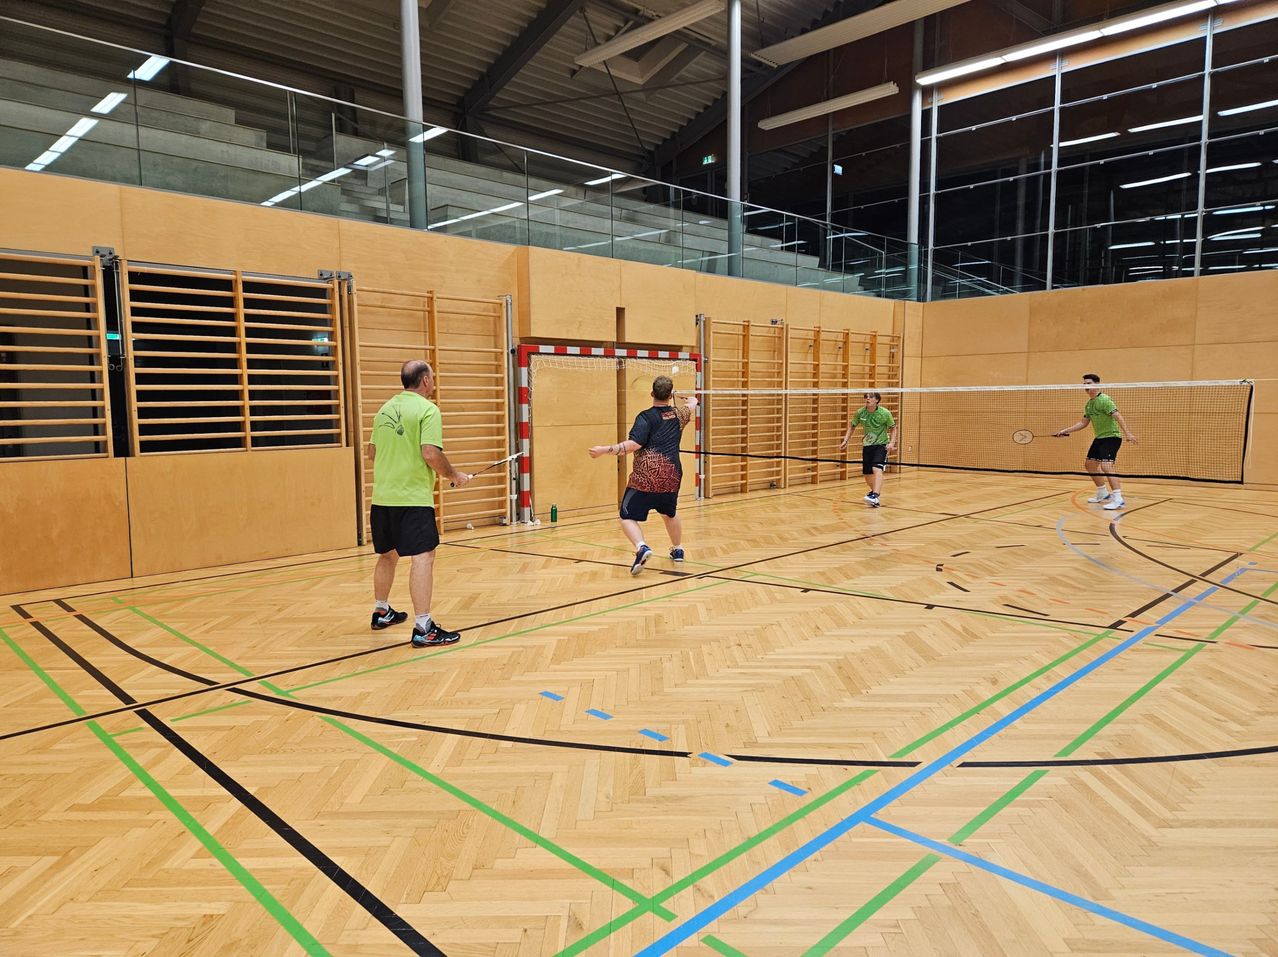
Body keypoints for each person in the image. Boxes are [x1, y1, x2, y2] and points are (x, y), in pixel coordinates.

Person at [367, 359, 471, 646]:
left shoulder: (384, 409)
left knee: (387, 554)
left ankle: (381, 610)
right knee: (423, 556)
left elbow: (372, 452)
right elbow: (429, 453)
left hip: (382, 498)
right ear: (425, 381)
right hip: (412, 498)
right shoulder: (428, 410)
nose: (434, 382)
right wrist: (453, 475)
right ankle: (424, 627)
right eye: (433, 378)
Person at [588, 375, 698, 575]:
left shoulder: (645, 417)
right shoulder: (679, 414)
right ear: (670, 394)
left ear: (652, 394)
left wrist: (605, 449)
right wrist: (692, 400)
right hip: (671, 476)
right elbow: (692, 406)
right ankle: (678, 549)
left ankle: (641, 547)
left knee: (626, 515)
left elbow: (633, 445)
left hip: (646, 477)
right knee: (669, 513)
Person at [1052, 373, 1139, 510]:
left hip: (1112, 437)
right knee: (1090, 465)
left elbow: (1118, 416)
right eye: (1084, 384)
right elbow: (1083, 423)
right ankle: (1102, 493)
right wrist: (1065, 430)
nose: (1086, 386)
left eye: (1089, 383)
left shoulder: (1104, 400)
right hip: (1099, 438)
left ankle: (1118, 499)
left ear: (1097, 385)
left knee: (1107, 466)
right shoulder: (1089, 404)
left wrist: (1128, 433)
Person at [838, 392, 897, 507]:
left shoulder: (885, 413)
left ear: (877, 400)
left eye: (870, 397)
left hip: (881, 445)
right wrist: (845, 440)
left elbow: (893, 428)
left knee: (876, 468)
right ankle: (874, 494)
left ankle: (875, 494)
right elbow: (852, 426)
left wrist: (891, 443)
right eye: (866, 397)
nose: (867, 399)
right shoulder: (860, 412)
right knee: (867, 474)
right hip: (867, 445)